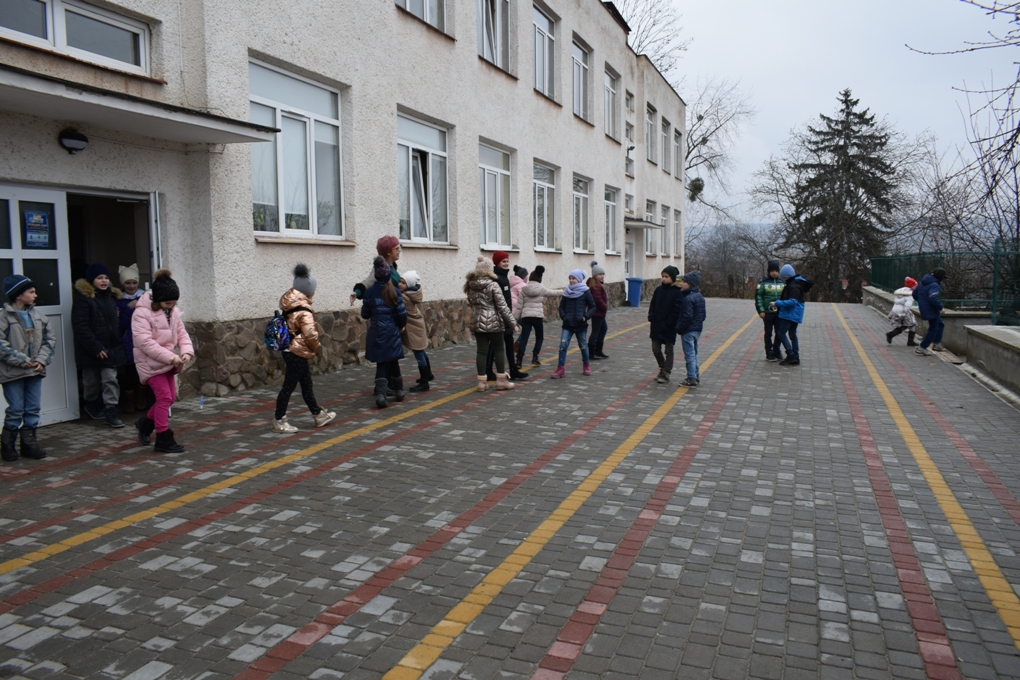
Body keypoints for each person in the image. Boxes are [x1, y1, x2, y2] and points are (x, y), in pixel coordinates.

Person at [131, 270, 193, 453]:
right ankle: (163, 438)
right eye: (167, 303)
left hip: (168, 362)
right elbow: (145, 343)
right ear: (157, 300)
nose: (170, 307)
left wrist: (186, 352)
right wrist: (171, 357)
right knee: (164, 398)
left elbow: (182, 333)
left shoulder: (171, 311)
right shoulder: (141, 314)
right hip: (150, 364)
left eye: (174, 303)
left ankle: (145, 423)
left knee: (170, 398)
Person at [272, 264, 336, 432]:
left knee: (306, 384)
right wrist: (317, 348)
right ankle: (279, 420)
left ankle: (318, 414)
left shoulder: (289, 305)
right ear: (309, 291)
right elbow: (310, 334)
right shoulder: (304, 310)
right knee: (288, 387)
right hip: (296, 351)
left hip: (290, 349)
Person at [0, 275, 55, 461]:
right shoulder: (3, 318)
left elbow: (49, 341)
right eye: (31, 292)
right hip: (13, 372)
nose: (35, 295)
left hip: (35, 370)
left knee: (33, 408)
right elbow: (1, 345)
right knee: (15, 408)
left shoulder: (40, 317)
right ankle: (8, 444)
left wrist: (41, 360)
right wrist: (22, 360)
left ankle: (29, 444)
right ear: (17, 295)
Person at [73, 263, 127, 428]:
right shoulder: (83, 299)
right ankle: (90, 404)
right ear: (91, 280)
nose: (104, 281)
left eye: (106, 277)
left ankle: (111, 410)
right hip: (92, 349)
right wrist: (95, 347)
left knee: (110, 379)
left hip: (110, 347)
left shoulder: (111, 298)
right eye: (99, 278)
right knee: (91, 382)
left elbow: (113, 321)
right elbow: (81, 326)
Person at [465, 256, 517, 392]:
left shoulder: (470, 285)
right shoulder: (493, 285)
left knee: (481, 351)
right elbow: (502, 306)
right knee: (499, 349)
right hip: (494, 322)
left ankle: (481, 383)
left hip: (477, 321)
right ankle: (501, 381)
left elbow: (471, 303)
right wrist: (513, 323)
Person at [362, 256, 408, 408]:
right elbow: (401, 314)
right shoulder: (395, 292)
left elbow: (365, 314)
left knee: (382, 362)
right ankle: (399, 391)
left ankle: (381, 395)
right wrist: (401, 326)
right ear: (388, 275)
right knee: (394, 361)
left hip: (377, 332)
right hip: (392, 331)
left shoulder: (369, 293)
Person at [489, 251, 529, 382]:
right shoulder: (497, 279)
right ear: (497, 263)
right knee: (495, 346)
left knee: (509, 344)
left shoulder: (504, 278)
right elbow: (498, 302)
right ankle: (488, 371)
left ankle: (513, 369)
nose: (506, 264)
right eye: (503, 261)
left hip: (506, 317)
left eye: (507, 261)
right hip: (500, 318)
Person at [551, 269, 596, 379]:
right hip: (568, 325)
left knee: (583, 346)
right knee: (563, 346)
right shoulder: (567, 292)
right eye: (570, 278)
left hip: (581, 325)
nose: (571, 281)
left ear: (579, 279)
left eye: (573, 278)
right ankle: (560, 369)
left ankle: (586, 366)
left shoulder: (585, 292)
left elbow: (593, 306)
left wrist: (585, 317)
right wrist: (564, 316)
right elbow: (561, 307)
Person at [514, 265, 562, 368]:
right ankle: (535, 357)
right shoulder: (541, 289)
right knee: (539, 337)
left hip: (526, 317)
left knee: (524, 338)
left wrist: (514, 320)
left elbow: (519, 307)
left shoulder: (523, 289)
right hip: (537, 317)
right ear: (539, 278)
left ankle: (519, 360)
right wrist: (566, 291)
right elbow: (553, 293)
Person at [116, 263, 147, 413]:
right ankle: (129, 399)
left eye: (134, 282)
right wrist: (129, 308)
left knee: (143, 371)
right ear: (122, 284)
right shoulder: (119, 300)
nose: (131, 286)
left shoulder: (145, 297)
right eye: (127, 283)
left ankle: (142, 396)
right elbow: (120, 324)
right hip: (127, 340)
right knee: (129, 372)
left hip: (142, 338)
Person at [399, 270, 435, 392]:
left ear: (408, 285)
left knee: (419, 353)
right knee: (421, 351)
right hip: (417, 325)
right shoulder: (412, 293)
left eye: (403, 283)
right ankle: (428, 374)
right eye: (400, 281)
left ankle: (424, 382)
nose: (399, 284)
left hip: (414, 327)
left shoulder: (404, 297)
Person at [647, 266, 684, 383]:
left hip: (669, 327)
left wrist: (669, 322)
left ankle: (666, 372)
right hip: (656, 325)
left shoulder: (677, 293)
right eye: (662, 276)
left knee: (668, 350)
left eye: (666, 277)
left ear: (672, 278)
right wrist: (651, 316)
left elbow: (676, 309)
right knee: (656, 349)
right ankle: (662, 368)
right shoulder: (658, 290)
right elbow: (652, 304)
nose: (663, 279)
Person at [771, 264, 813, 367]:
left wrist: (777, 303)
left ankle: (790, 355)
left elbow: (792, 302)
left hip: (790, 314)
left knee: (781, 333)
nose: (783, 279)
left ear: (787, 276)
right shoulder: (798, 283)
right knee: (793, 334)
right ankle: (796, 356)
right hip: (795, 314)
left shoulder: (793, 285)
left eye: (784, 277)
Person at [676, 271, 706, 387]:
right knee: (695, 353)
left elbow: (686, 316)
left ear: (691, 284)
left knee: (689, 355)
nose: (682, 284)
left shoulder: (687, 299)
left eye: (684, 282)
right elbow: (703, 316)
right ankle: (696, 374)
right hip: (697, 329)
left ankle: (691, 377)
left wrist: (679, 328)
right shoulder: (700, 297)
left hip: (688, 330)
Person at [351, 236, 401, 305]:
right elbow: (368, 282)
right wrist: (357, 293)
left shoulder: (392, 266)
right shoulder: (381, 269)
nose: (399, 251)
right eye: (397, 248)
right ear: (388, 252)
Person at [754, 259, 785, 361]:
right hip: (767, 313)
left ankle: (777, 350)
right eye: (772, 271)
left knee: (779, 332)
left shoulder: (782, 283)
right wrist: (761, 310)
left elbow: (785, 297)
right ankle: (769, 352)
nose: (774, 273)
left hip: (779, 312)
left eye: (776, 271)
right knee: (768, 333)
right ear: (768, 271)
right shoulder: (763, 282)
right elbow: (758, 297)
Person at [913, 267, 947, 356]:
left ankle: (937, 344)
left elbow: (914, 293)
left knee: (940, 323)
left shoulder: (923, 282)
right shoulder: (935, 284)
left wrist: (921, 301)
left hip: (924, 307)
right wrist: (940, 307)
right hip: (931, 309)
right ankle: (922, 347)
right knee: (933, 329)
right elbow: (932, 297)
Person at [887, 276, 919, 346]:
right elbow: (907, 305)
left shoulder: (900, 291)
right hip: (903, 311)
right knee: (912, 323)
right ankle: (910, 341)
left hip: (895, 310)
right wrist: (904, 313)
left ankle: (891, 334)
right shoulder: (910, 294)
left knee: (906, 324)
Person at [587, 261, 609, 360]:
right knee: (596, 332)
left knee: (603, 329)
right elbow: (597, 299)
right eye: (600, 274)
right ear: (595, 275)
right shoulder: (596, 285)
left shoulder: (597, 284)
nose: (602, 276)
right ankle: (591, 353)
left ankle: (598, 350)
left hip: (599, 312)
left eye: (603, 274)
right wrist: (604, 307)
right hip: (597, 312)